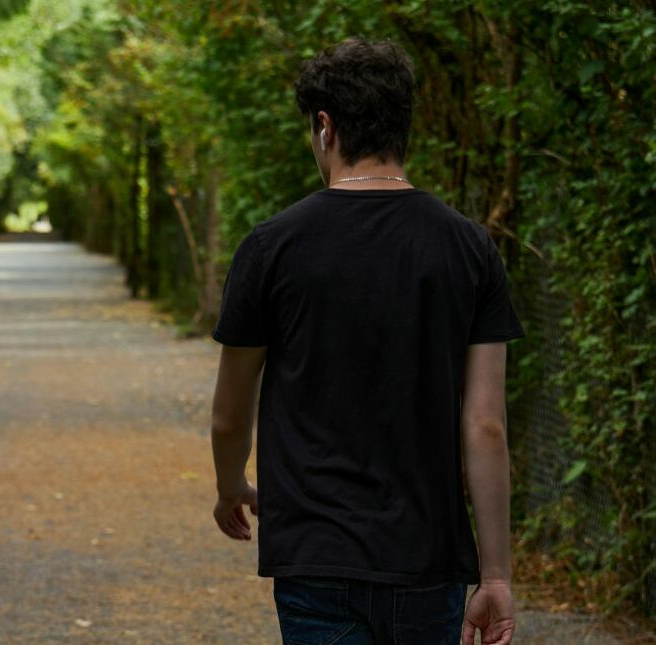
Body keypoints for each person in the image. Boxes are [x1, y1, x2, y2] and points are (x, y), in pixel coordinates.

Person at [209, 37, 523, 645]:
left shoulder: (271, 247)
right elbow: (486, 425)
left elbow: (230, 412)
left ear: (324, 127)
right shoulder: (469, 248)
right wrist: (496, 576)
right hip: (427, 559)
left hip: (314, 554)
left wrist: (231, 485)